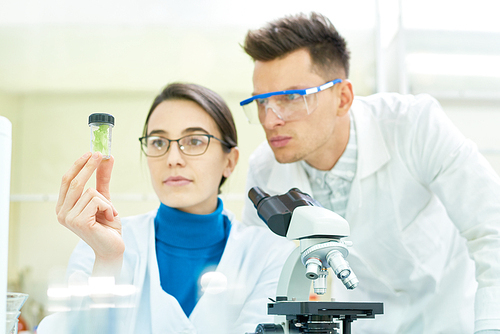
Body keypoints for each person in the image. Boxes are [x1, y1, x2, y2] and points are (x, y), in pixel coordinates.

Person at [239, 12, 500, 334]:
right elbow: (253, 275)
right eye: (260, 102)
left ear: (343, 97)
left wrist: (490, 326)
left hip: (450, 316)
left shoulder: (414, 124)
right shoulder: (264, 170)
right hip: (363, 324)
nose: (270, 119)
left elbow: (492, 230)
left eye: (291, 98)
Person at [37, 83, 295, 334]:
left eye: (194, 141)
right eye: (158, 142)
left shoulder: (270, 256)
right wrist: (107, 261)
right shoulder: (96, 246)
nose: (173, 159)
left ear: (230, 161)